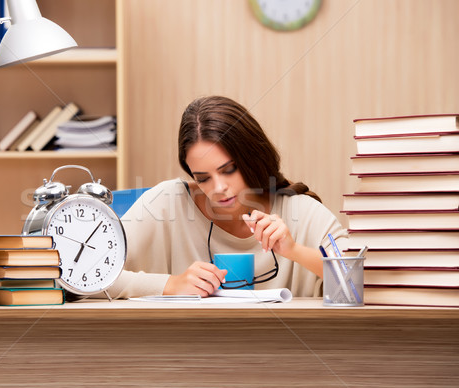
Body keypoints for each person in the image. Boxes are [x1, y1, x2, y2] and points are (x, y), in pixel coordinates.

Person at [107, 95, 347, 299]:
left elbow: (364, 280)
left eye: (228, 170)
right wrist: (171, 284)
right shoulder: (167, 203)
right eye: (203, 178)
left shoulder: (301, 212)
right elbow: (79, 275)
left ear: (251, 159)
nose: (218, 187)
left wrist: (293, 250)